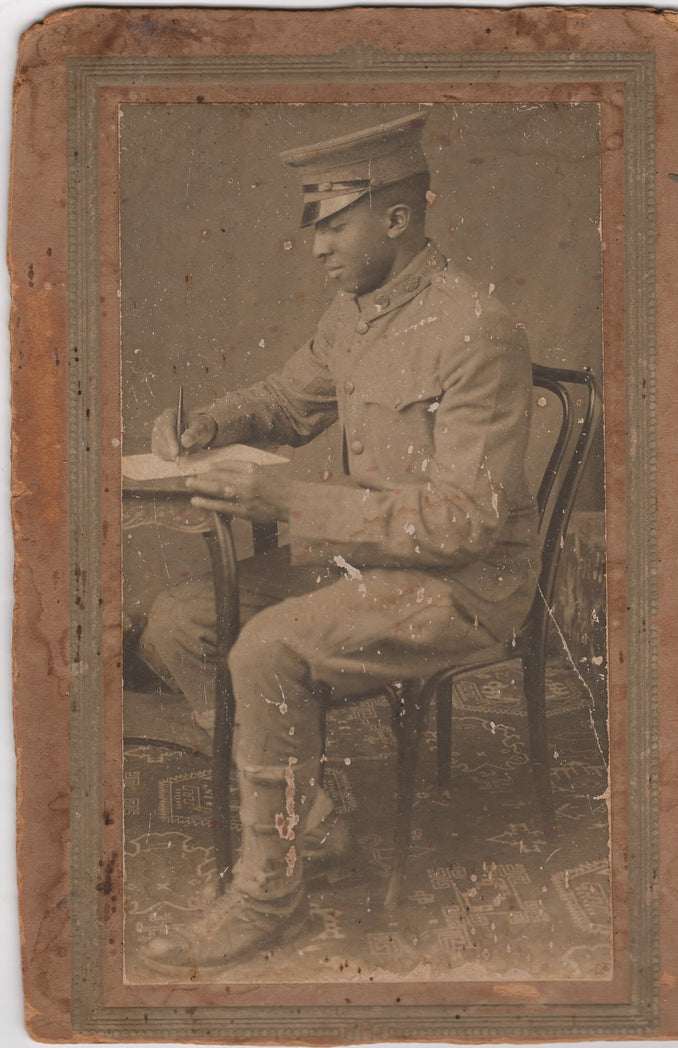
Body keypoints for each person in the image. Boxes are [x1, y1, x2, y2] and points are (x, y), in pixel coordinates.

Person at [138, 111, 539, 973]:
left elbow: (466, 522)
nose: (316, 247)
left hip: (463, 586)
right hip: (373, 562)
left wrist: (294, 500)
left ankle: (266, 898)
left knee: (267, 649)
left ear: (395, 217)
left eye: (333, 225)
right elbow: (289, 402)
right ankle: (314, 817)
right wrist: (212, 423)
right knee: (177, 622)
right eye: (314, 227)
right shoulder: (354, 314)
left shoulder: (477, 331)